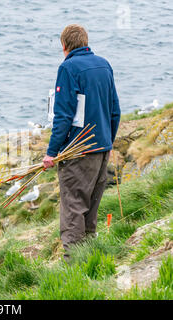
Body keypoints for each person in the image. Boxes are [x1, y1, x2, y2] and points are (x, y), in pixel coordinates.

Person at [42, 24, 121, 262]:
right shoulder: (104, 65)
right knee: (91, 208)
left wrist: (52, 152)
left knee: (73, 207)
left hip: (79, 150)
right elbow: (115, 111)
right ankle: (89, 260)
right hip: (102, 148)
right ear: (85, 42)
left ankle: (73, 264)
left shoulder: (68, 68)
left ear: (64, 46)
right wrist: (107, 140)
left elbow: (63, 115)